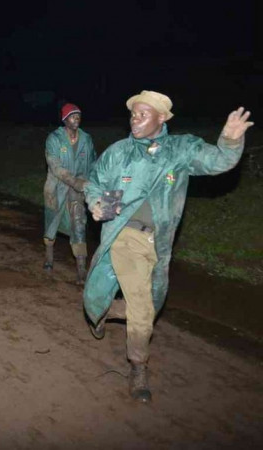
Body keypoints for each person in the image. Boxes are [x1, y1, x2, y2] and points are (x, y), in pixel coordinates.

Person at [83, 90, 253, 403]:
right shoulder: (119, 153)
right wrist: (96, 203)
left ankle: (105, 312)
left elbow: (218, 161)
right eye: (133, 113)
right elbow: (95, 181)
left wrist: (229, 142)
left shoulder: (180, 149)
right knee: (142, 306)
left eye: (143, 114)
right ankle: (138, 367)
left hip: (159, 243)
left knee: (148, 304)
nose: (135, 119)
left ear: (162, 118)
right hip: (124, 236)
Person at [43, 103, 96, 284]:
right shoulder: (54, 139)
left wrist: (92, 184)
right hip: (56, 188)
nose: (76, 119)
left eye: (78, 116)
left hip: (77, 189)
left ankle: (81, 270)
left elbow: (92, 163)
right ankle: (49, 257)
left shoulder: (86, 139)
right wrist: (74, 181)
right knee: (52, 223)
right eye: (73, 116)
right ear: (64, 119)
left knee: (79, 223)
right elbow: (55, 167)